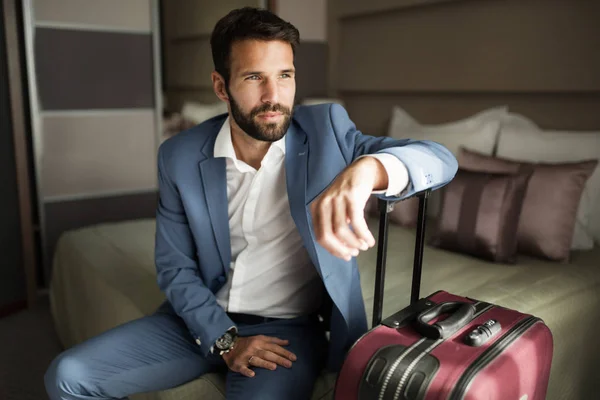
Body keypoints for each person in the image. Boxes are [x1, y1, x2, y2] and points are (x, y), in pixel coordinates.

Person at [45, 7, 457, 400]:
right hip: (197, 320)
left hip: (289, 329)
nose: (273, 95)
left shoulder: (328, 132)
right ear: (221, 86)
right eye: (254, 77)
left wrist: (368, 169)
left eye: (285, 75)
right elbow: (174, 268)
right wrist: (225, 341)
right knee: (67, 377)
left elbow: (441, 159)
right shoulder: (180, 156)